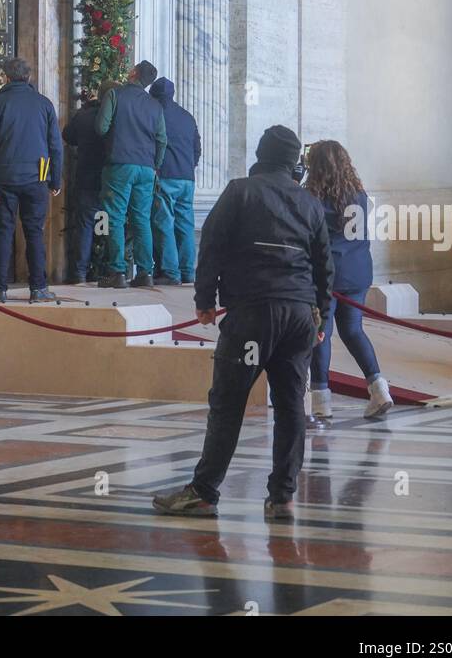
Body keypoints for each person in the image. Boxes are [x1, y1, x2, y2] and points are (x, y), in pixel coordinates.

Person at [152, 125, 333, 522]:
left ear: (261, 154)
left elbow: (211, 247)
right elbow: (324, 267)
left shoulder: (239, 191)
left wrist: (204, 301)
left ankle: (203, 492)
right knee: (290, 406)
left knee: (228, 404)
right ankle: (283, 497)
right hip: (299, 317)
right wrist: (321, 316)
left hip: (253, 315)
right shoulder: (309, 202)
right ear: (292, 163)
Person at [305, 139, 393, 421]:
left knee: (321, 334)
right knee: (353, 330)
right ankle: (379, 389)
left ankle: (320, 401)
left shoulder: (313, 198)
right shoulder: (360, 194)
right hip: (357, 272)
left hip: (328, 276)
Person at [0, 57, 63, 303]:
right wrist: (55, 180)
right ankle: (38, 289)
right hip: (38, 178)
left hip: (5, 179)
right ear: (29, 77)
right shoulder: (44, 104)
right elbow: (55, 146)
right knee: (34, 232)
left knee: (3, 232)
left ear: (5, 77)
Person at [95, 60, 167, 289]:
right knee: (141, 219)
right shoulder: (155, 106)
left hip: (120, 165)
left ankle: (117, 272)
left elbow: (101, 128)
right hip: (146, 168)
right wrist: (155, 165)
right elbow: (162, 140)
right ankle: (145, 273)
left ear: (133, 73)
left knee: (114, 217)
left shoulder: (115, 95)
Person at [149, 77, 201, 286]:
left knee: (164, 222)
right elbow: (197, 148)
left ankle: (170, 272)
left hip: (166, 174)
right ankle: (188, 271)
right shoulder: (187, 116)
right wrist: (189, 166)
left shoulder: (155, 113)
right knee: (186, 225)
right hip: (187, 178)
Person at [62, 91, 107, 283]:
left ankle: (80, 272)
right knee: (107, 225)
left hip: (86, 178)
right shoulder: (116, 116)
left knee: (85, 226)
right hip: (109, 180)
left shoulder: (85, 115)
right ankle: (107, 270)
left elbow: (68, 135)